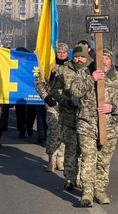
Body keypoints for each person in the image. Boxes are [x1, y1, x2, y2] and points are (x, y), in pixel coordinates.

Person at [70, 48, 118, 207]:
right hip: (87, 125)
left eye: (106, 58)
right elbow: (75, 91)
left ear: (111, 61)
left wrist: (113, 106)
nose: (103, 61)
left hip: (109, 127)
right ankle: (87, 192)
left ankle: (100, 190)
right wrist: (91, 79)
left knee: (103, 161)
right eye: (100, 57)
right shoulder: (85, 73)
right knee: (89, 159)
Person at [51, 44, 93, 189]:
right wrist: (66, 100)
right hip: (68, 115)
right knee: (70, 148)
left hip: (87, 118)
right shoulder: (63, 70)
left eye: (82, 57)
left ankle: (81, 177)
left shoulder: (92, 70)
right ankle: (69, 177)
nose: (79, 60)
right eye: (76, 56)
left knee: (85, 150)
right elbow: (54, 91)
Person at [35, 42, 69, 172]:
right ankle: (51, 157)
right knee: (53, 130)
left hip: (66, 104)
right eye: (59, 52)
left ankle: (61, 158)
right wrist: (47, 98)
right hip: (52, 103)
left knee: (65, 132)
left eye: (63, 53)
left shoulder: (71, 67)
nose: (61, 55)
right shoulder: (48, 66)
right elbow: (39, 83)